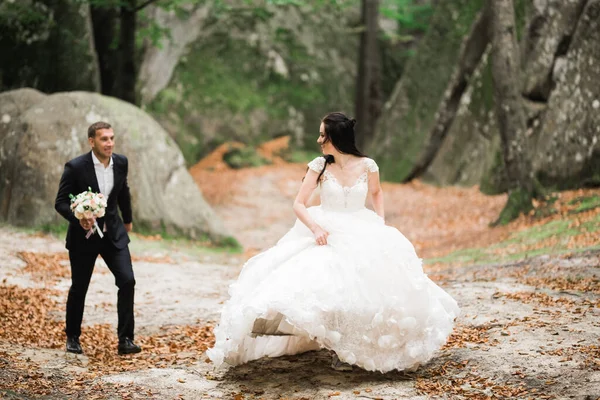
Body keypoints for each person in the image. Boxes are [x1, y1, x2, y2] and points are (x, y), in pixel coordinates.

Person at [207, 112, 459, 372]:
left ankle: (354, 347)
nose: (319, 140)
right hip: (327, 228)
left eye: (323, 135)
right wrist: (316, 228)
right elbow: (299, 203)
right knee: (327, 284)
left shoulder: (368, 165)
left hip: (361, 226)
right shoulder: (320, 165)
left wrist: (380, 223)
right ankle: (335, 343)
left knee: (370, 287)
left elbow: (377, 192)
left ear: (336, 138)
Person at [54, 121, 141, 355]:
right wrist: (79, 217)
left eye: (112, 138)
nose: (110, 143)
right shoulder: (75, 167)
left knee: (127, 281)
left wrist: (128, 219)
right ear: (92, 141)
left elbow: (123, 191)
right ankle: (72, 337)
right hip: (84, 236)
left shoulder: (121, 162)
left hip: (113, 233)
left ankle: (126, 340)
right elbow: (60, 202)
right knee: (79, 287)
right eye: (104, 139)